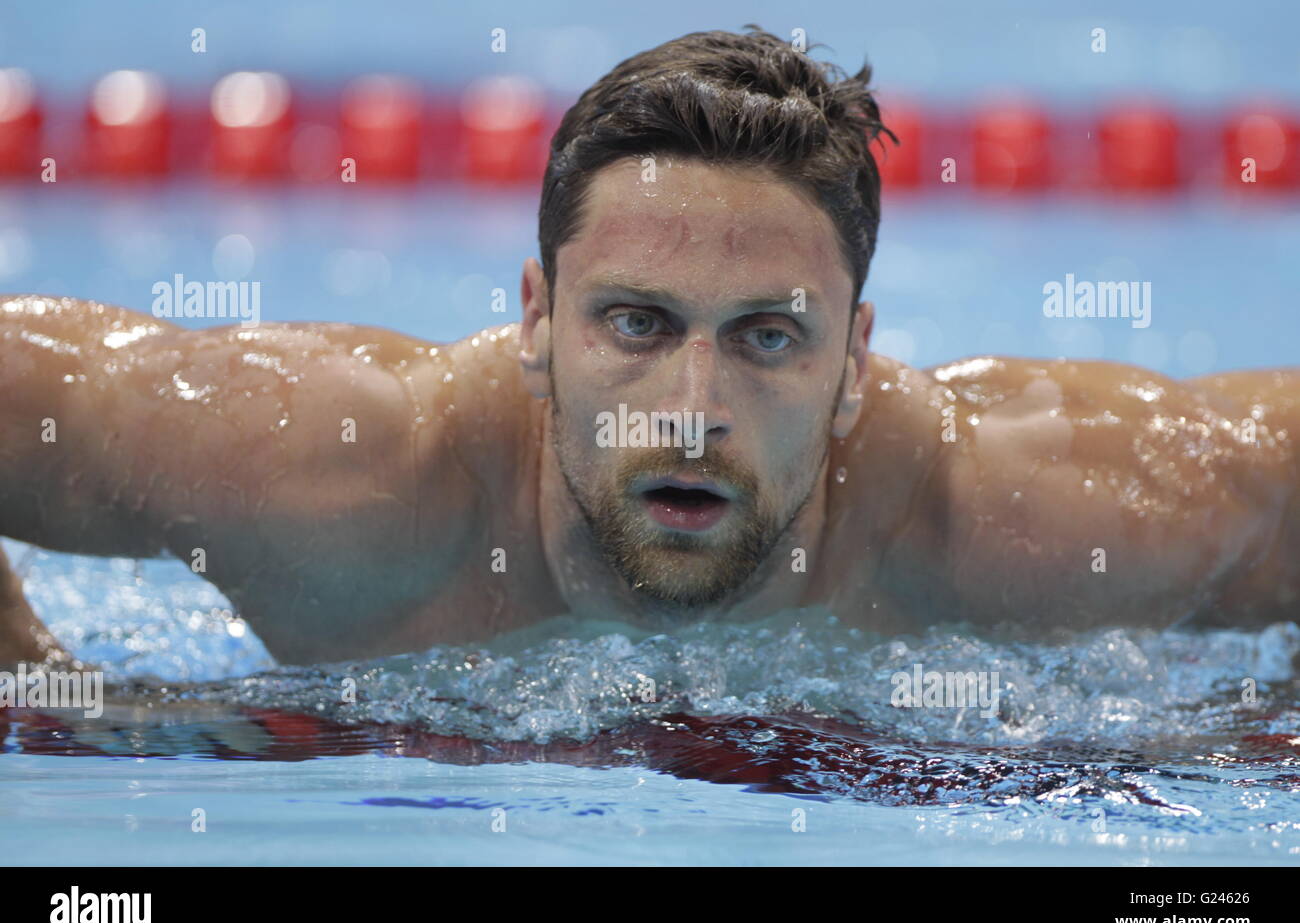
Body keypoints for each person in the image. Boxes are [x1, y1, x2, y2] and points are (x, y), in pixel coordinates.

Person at [1, 27, 1297, 668]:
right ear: (530, 322)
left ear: (854, 369)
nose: (691, 409)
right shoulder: (315, 475)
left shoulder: (1032, 515)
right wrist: (38, 689)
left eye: (768, 340)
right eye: (636, 323)